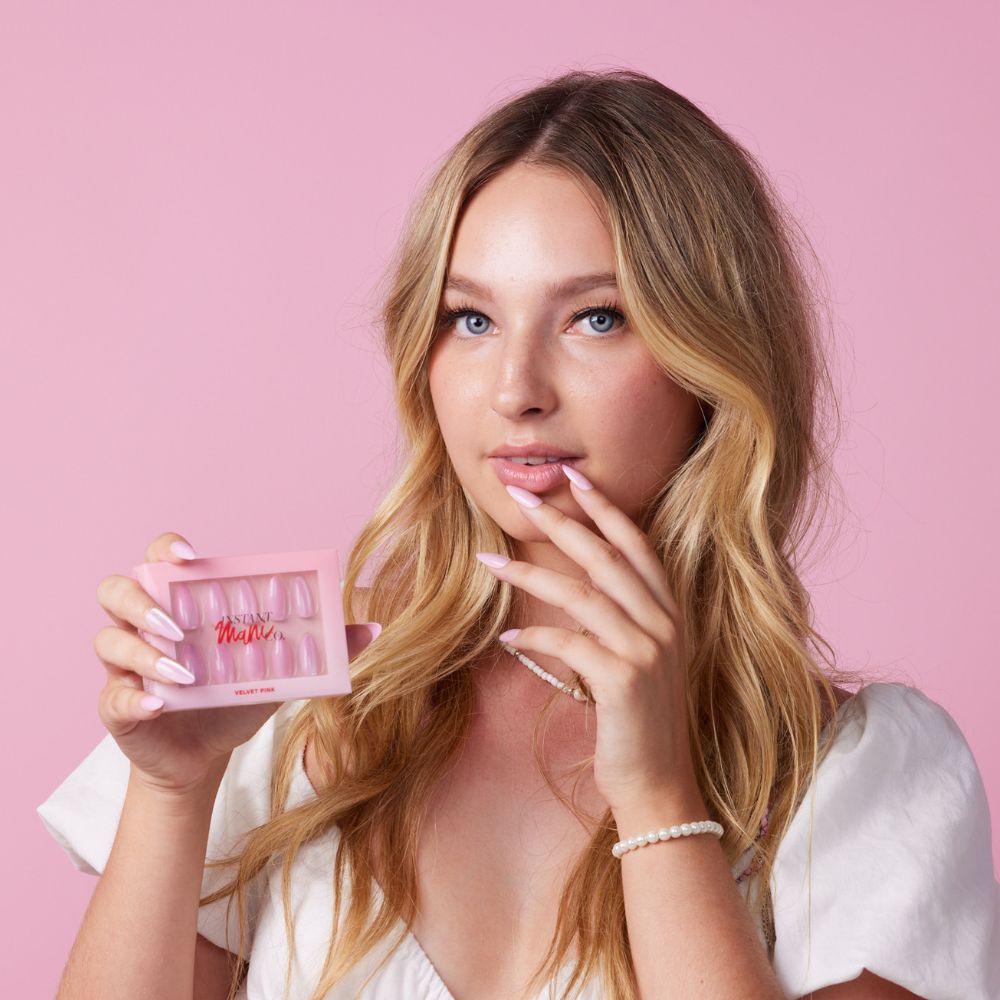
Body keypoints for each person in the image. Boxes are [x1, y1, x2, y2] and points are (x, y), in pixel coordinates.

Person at [37, 69, 999, 1000]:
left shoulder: (863, 774)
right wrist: (173, 794)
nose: (516, 391)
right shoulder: (291, 708)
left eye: (594, 316)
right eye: (471, 319)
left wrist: (662, 802)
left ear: (713, 359)